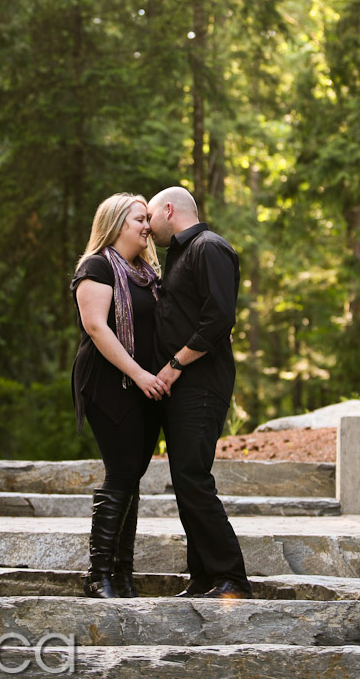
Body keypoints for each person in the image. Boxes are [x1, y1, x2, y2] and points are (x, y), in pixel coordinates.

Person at [147, 185, 252, 600]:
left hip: (202, 381)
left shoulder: (209, 248)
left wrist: (173, 366)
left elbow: (218, 319)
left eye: (150, 215)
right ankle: (204, 576)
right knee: (185, 477)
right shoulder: (178, 254)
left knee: (192, 476)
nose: (146, 224)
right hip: (183, 384)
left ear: (169, 210)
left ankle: (233, 579)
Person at [71, 192, 169, 598]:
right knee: (122, 472)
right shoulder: (97, 266)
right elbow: (97, 327)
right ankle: (98, 576)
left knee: (133, 477)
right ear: (115, 224)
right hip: (110, 383)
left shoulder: (145, 273)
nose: (148, 226)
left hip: (145, 386)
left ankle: (122, 573)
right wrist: (140, 374)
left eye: (148, 219)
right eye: (139, 220)